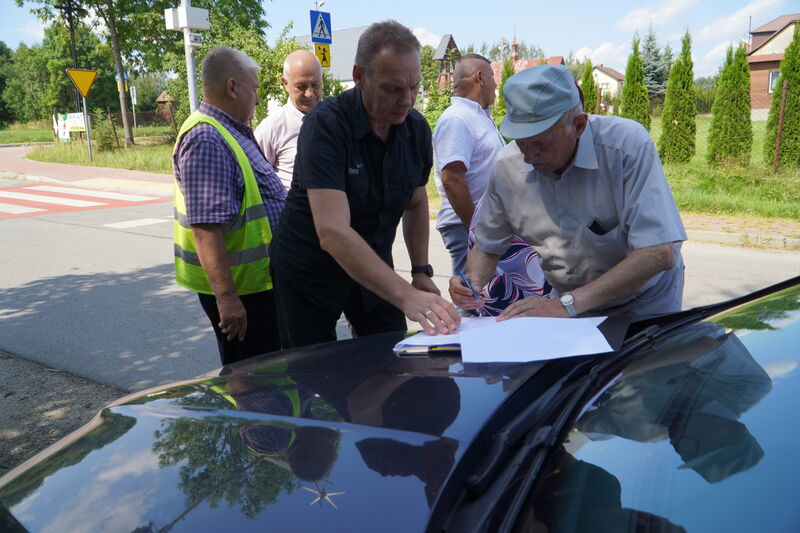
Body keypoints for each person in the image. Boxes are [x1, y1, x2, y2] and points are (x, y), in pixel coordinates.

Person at [269, 20, 460, 348]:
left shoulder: (415, 130)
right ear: (359, 76)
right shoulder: (326, 125)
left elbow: (415, 202)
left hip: (373, 263)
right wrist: (405, 295)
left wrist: (420, 272)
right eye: (393, 88)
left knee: (390, 354)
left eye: (414, 87)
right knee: (312, 371)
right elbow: (332, 233)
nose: (407, 99)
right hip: (309, 270)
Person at [451, 65, 686, 321]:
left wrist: (567, 305)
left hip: (645, 300)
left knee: (641, 362)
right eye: (521, 142)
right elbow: (487, 247)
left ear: (579, 125)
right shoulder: (507, 166)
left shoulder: (626, 147)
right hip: (569, 301)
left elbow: (657, 252)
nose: (528, 157)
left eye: (540, 143)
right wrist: (470, 282)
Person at [173, 45, 287, 365]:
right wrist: (228, 299)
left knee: (269, 378)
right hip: (244, 294)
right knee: (253, 381)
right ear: (232, 87)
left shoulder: (230, 130)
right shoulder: (206, 138)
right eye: (255, 88)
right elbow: (206, 228)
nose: (259, 98)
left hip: (257, 287)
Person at [432, 53, 505, 274]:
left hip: (480, 226)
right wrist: (477, 231)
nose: (496, 83)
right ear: (480, 78)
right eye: (493, 76)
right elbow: (452, 179)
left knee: (486, 299)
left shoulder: (478, 116)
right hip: (468, 227)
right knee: (474, 300)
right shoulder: (458, 118)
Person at [254, 49, 323, 190]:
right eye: (301, 86)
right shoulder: (271, 128)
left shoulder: (337, 121)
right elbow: (256, 182)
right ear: (285, 83)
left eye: (315, 85)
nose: (309, 94)